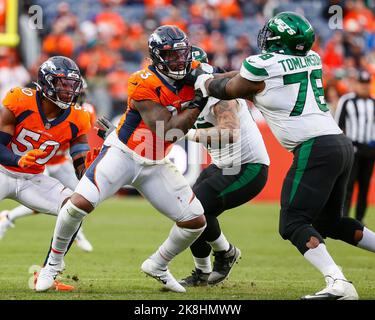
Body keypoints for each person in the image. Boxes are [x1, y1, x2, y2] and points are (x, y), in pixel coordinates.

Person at [187, 12, 375, 300]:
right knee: (329, 223)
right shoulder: (312, 58)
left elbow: (228, 88)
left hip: (314, 146)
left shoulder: (260, 65)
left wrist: (203, 83)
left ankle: (338, 283)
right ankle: (339, 280)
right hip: (338, 143)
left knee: (293, 222)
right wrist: (210, 75)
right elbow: (242, 79)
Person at [35, 25, 207, 293]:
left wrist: (225, 79)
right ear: (157, 56)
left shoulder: (196, 70)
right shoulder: (142, 80)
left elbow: (226, 81)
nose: (178, 60)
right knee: (77, 204)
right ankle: (52, 266)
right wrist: (200, 97)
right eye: (170, 55)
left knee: (195, 221)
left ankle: (159, 264)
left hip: (156, 163)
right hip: (123, 154)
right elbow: (169, 131)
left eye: (181, 53)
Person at [179, 46, 270, 287]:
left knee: (194, 209)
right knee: (183, 210)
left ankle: (226, 252)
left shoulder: (219, 95)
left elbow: (229, 132)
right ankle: (202, 272)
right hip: (223, 165)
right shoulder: (187, 96)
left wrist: (186, 133)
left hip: (247, 166)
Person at [0, 56, 92, 275]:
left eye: (72, 84)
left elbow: (81, 162)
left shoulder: (79, 117)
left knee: (75, 208)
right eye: (62, 83)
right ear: (46, 83)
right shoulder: (20, 99)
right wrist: (18, 159)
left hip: (33, 178)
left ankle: (49, 270)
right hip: (3, 171)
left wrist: (93, 168)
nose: (69, 90)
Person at [335, 70, 375, 223]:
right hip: (353, 149)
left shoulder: (373, 102)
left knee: (364, 186)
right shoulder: (347, 101)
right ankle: (343, 217)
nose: (364, 87)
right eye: (361, 84)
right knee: (348, 184)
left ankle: (359, 218)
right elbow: (338, 125)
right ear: (356, 84)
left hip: (370, 150)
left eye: (366, 84)